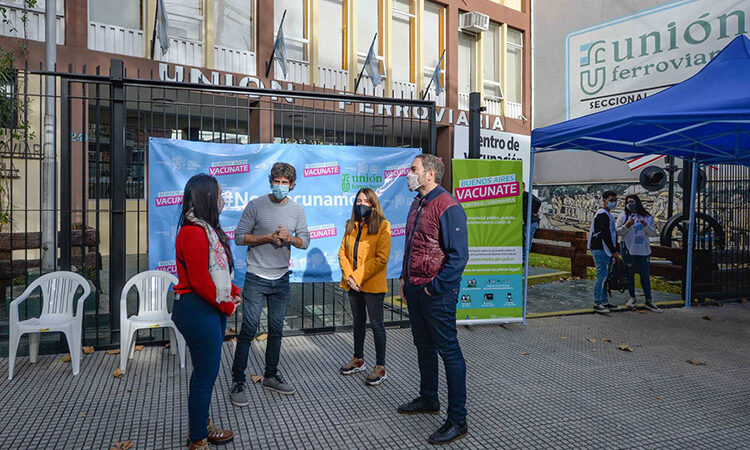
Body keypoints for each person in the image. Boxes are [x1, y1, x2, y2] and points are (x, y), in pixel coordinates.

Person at [397, 154, 470, 445]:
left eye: (413, 170)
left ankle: (458, 420)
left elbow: (458, 257)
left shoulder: (448, 205)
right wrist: (405, 279)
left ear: (429, 174)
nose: (409, 175)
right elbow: (411, 246)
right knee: (422, 345)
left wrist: (433, 289)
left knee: (449, 352)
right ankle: (428, 398)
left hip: (436, 293)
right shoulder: (418, 203)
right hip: (415, 289)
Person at [230, 162, 310, 405]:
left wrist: (290, 238)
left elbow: (305, 241)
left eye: (285, 183)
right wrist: (267, 237)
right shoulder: (255, 205)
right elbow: (239, 237)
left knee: (276, 330)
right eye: (277, 181)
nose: (280, 186)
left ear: (292, 185)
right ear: (270, 181)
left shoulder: (297, 210)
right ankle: (237, 381)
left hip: (281, 279)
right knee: (248, 330)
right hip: (256, 277)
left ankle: (270, 376)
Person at [172, 174, 241, 450]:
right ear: (207, 198)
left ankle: (201, 426)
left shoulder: (207, 230)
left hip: (208, 308)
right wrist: (226, 304)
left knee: (205, 374)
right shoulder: (193, 231)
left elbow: (217, 273)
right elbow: (200, 281)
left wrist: (233, 291)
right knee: (205, 376)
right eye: (219, 194)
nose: (223, 200)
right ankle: (198, 438)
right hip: (198, 309)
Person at [337, 188, 392, 385]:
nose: (362, 204)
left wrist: (357, 277)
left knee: (376, 324)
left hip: (372, 285)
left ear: (373, 204)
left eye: (366, 201)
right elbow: (342, 253)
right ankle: (358, 359)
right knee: (358, 323)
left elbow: (381, 258)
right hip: (353, 284)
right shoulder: (350, 225)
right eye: (359, 201)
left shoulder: (384, 226)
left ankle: (380, 366)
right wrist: (350, 277)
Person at [616, 194, 660, 312]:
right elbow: (618, 232)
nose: (630, 204)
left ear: (637, 202)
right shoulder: (623, 216)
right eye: (628, 202)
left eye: (632, 201)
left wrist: (645, 225)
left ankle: (649, 300)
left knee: (645, 275)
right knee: (630, 275)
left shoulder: (647, 216)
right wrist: (627, 225)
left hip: (643, 250)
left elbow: (653, 233)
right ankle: (632, 298)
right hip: (628, 250)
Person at [588, 190, 620, 313]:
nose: (614, 203)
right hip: (601, 249)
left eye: (615, 200)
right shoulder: (602, 214)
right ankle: (597, 302)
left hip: (605, 249)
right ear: (604, 201)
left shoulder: (607, 214)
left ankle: (604, 301)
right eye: (611, 200)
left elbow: (612, 234)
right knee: (601, 276)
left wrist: (615, 249)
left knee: (605, 276)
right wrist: (613, 251)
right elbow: (605, 234)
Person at [522, 183, 542, 262]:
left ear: (523, 188)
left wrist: (534, 211)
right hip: (526, 222)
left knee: (527, 239)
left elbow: (538, 201)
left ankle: (523, 259)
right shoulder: (520, 196)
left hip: (531, 222)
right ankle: (522, 258)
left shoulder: (527, 195)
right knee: (524, 239)